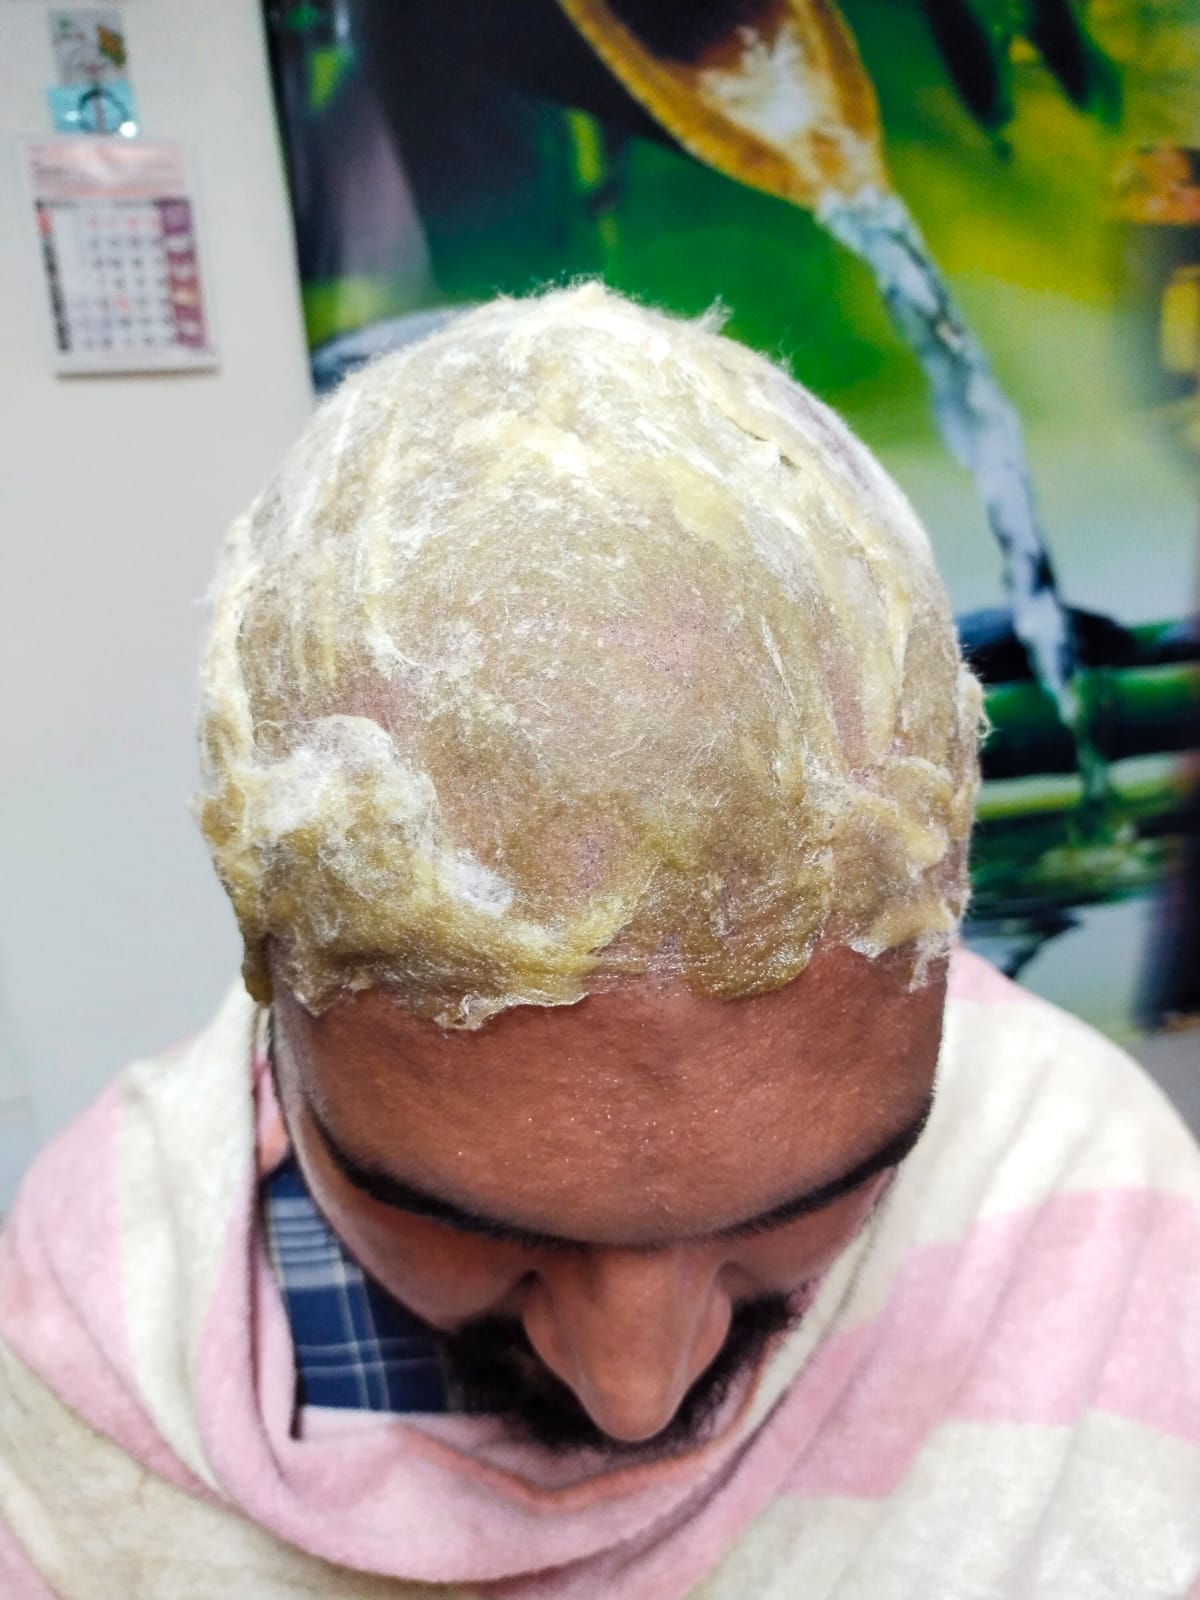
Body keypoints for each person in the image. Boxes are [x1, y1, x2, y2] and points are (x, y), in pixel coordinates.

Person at [0, 285, 1196, 1598]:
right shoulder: (94, 1322)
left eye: (797, 1210)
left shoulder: (1095, 1211)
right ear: (279, 1001)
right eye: (472, 1226)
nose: (638, 1391)